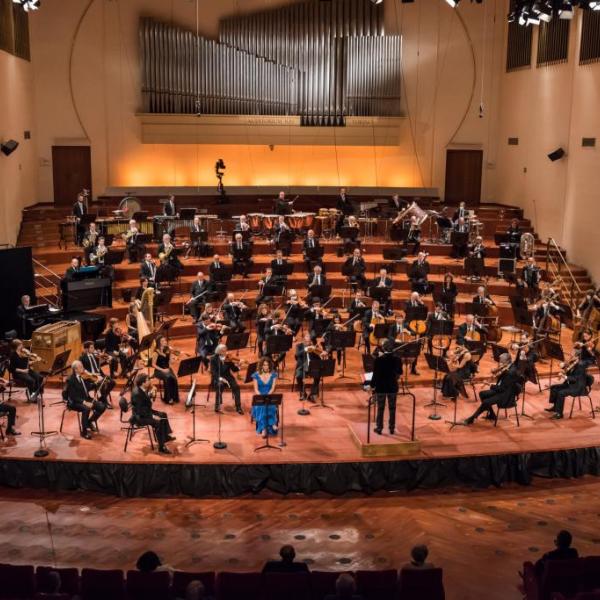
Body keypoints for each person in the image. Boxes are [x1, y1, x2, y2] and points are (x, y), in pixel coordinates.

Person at [463, 353, 522, 424]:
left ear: (506, 362)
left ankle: (472, 418)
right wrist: (498, 370)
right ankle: (492, 415)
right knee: (482, 394)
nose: (499, 363)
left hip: (506, 395)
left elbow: (502, 389)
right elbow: (501, 382)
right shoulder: (508, 366)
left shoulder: (510, 372)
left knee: (486, 402)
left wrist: (490, 384)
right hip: (502, 390)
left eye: (501, 361)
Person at [131, 374, 175, 455]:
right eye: (148, 380)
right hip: (139, 417)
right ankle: (161, 447)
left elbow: (144, 402)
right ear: (143, 383)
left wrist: (150, 395)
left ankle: (165, 436)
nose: (149, 381)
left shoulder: (141, 389)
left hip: (146, 412)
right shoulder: (137, 393)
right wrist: (153, 416)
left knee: (163, 414)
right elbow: (140, 410)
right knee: (157, 422)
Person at [65, 360, 106, 439]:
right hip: (75, 402)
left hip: (86, 398)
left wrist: (96, 383)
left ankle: (89, 422)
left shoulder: (82, 376)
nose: (83, 368)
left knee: (102, 407)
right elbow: (73, 396)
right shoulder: (70, 380)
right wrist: (84, 402)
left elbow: (87, 387)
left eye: (82, 366)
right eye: (81, 367)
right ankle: (84, 432)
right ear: (75, 370)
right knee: (86, 409)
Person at [370, 339, 402, 435]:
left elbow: (375, 375)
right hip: (392, 386)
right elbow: (400, 372)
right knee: (392, 408)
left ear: (383, 348)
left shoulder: (379, 360)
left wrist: (372, 385)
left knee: (380, 408)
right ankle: (391, 428)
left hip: (381, 387)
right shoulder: (397, 359)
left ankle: (379, 428)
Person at [80, 341, 115, 407]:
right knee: (102, 383)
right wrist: (94, 375)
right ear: (87, 349)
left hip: (99, 375)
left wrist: (107, 360)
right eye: (91, 348)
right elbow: (83, 370)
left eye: (93, 347)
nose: (93, 349)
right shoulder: (82, 358)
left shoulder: (95, 356)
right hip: (91, 377)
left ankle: (102, 397)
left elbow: (98, 366)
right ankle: (104, 401)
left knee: (112, 382)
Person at [210, 344, 243, 414]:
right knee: (220, 386)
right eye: (223, 351)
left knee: (236, 387)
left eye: (225, 351)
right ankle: (217, 407)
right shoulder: (213, 359)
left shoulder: (228, 358)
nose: (225, 353)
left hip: (228, 377)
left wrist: (239, 366)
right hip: (218, 377)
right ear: (218, 352)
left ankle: (238, 407)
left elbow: (234, 369)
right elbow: (213, 372)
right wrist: (220, 378)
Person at [251, 357, 278, 438]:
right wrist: (261, 396)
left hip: (269, 395)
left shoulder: (274, 375)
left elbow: (273, 388)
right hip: (259, 395)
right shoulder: (256, 375)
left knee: (270, 405)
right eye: (264, 365)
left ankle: (265, 427)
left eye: (267, 365)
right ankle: (267, 426)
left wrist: (267, 395)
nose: (266, 367)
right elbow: (256, 389)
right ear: (261, 366)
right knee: (262, 406)